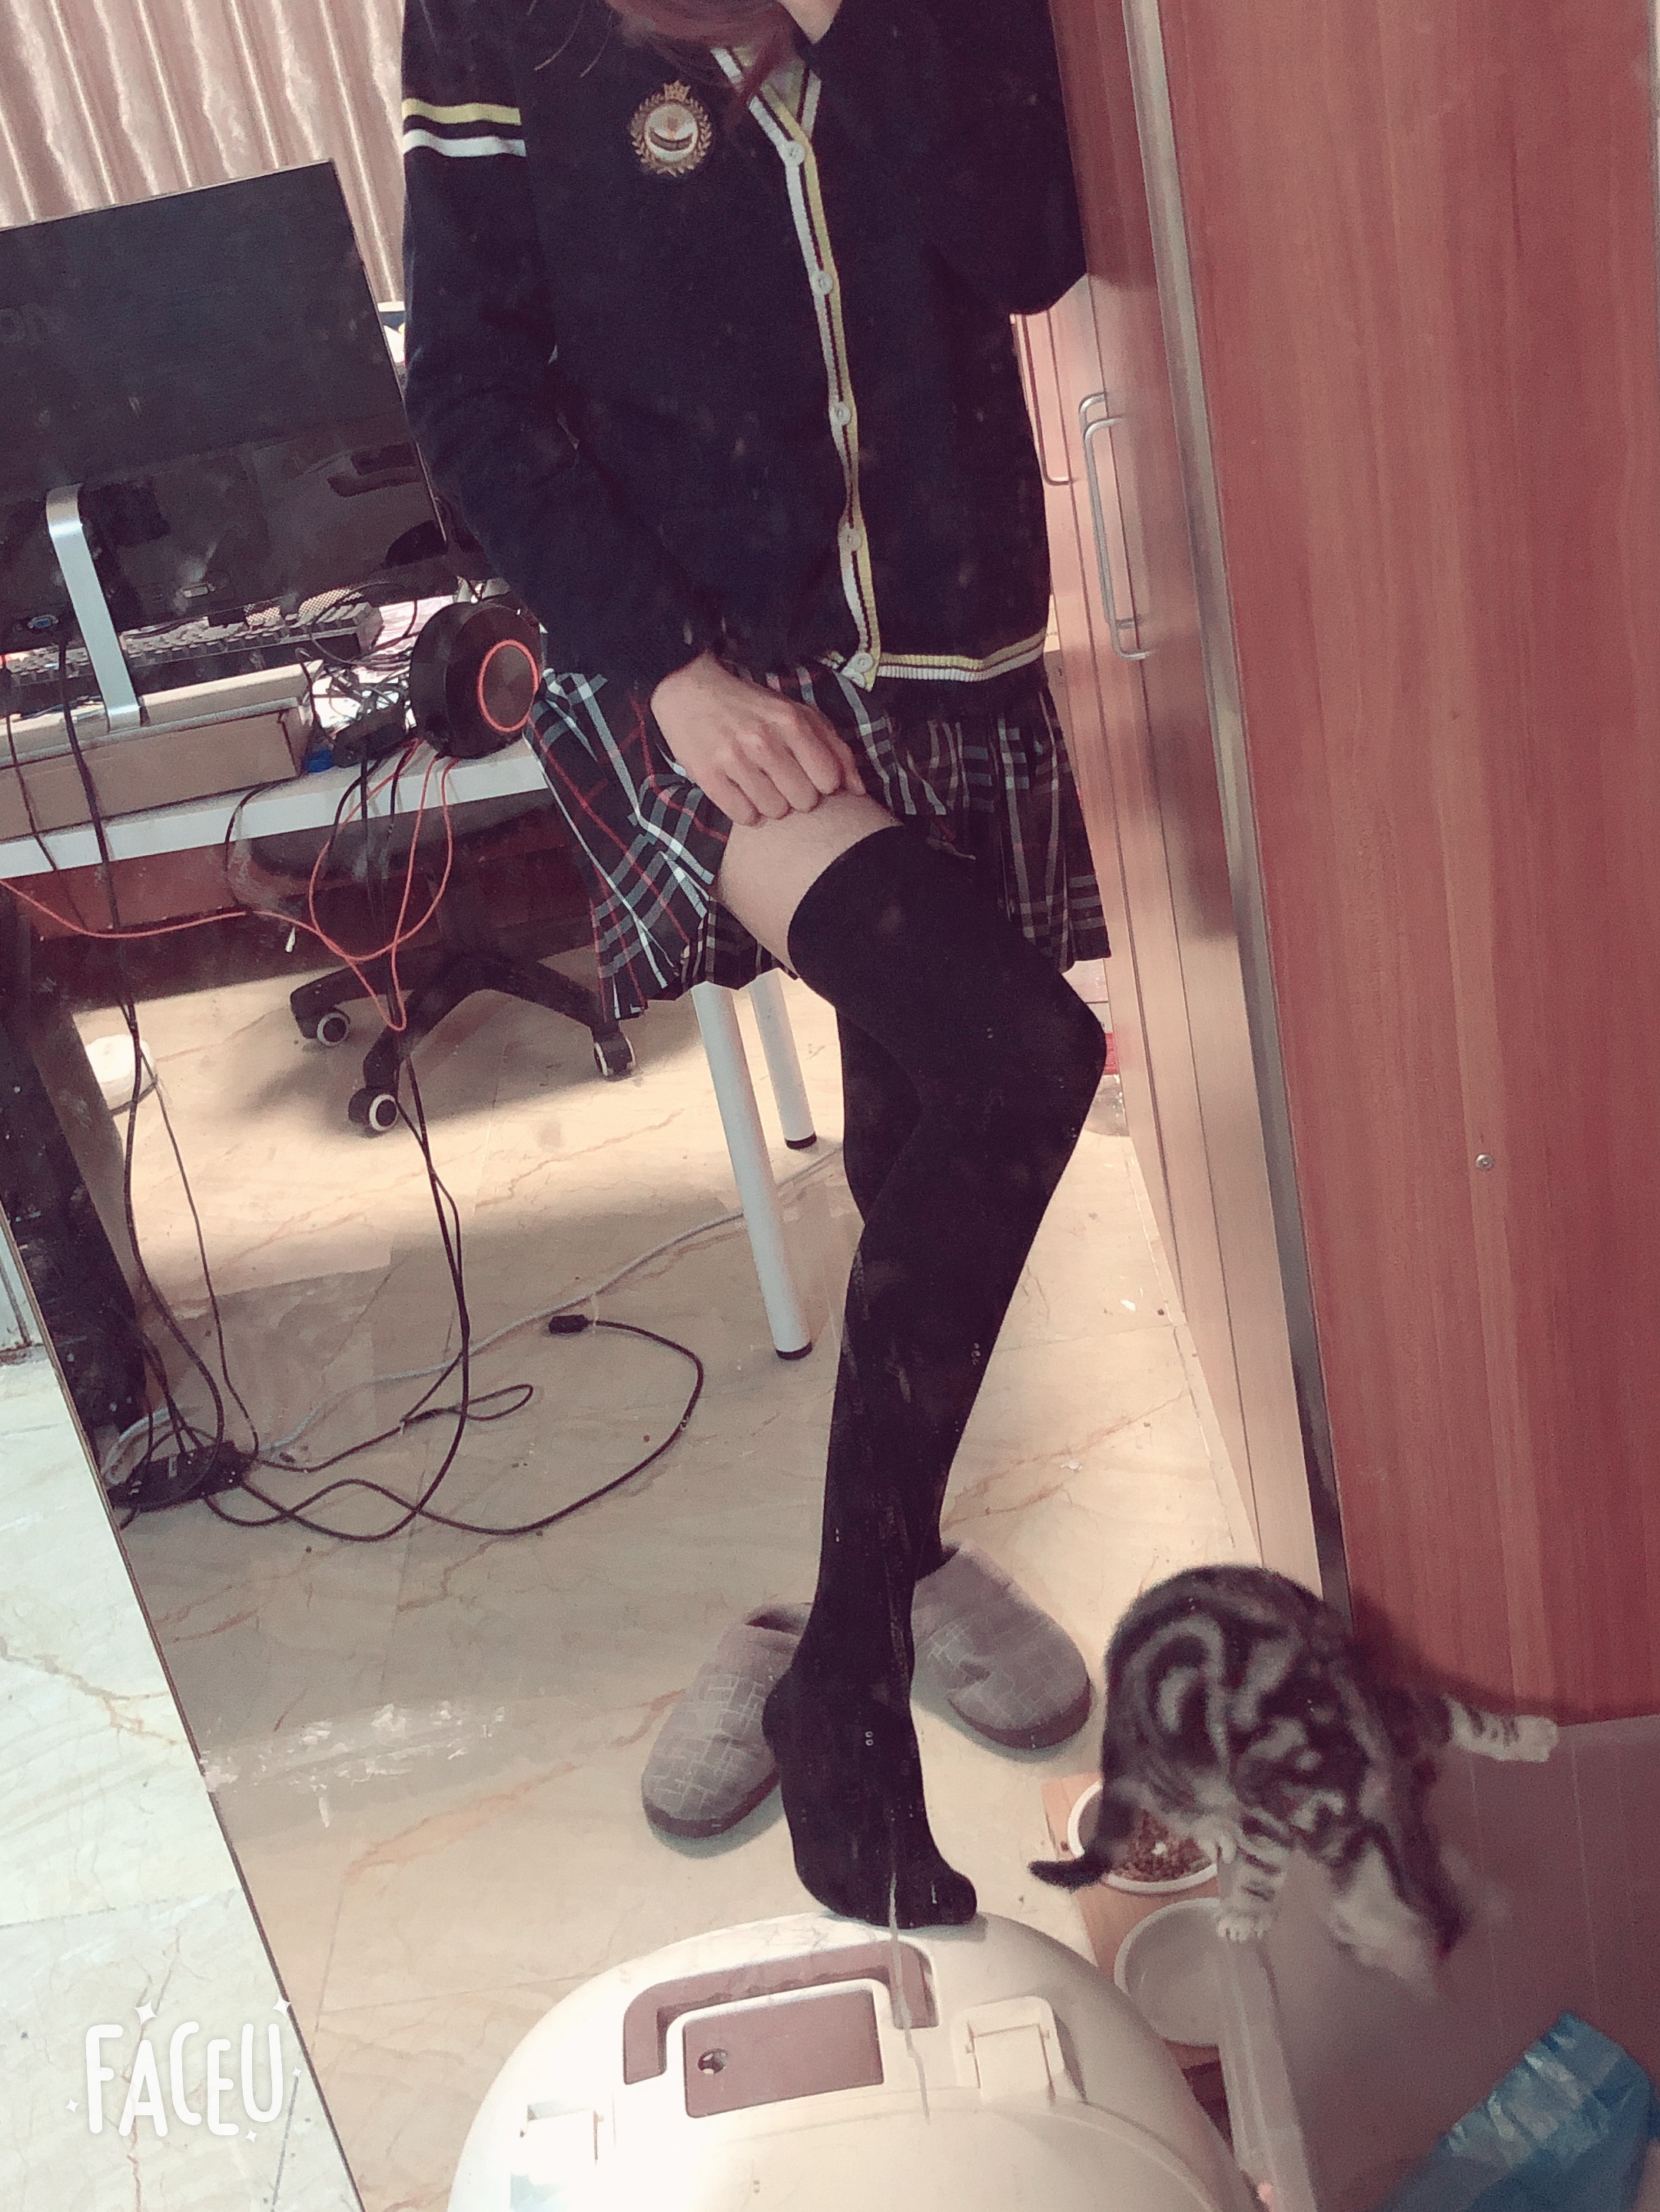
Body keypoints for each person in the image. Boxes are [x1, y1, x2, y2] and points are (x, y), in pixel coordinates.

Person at [400, 0, 1110, 1928]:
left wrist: (823, 15)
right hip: (709, 670)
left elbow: (1032, 245)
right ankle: (849, 1682)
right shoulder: (492, 14)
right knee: (1020, 1056)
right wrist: (666, 668)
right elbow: (470, 386)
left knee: (920, 1135)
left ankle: (888, 1577)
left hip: (952, 637)